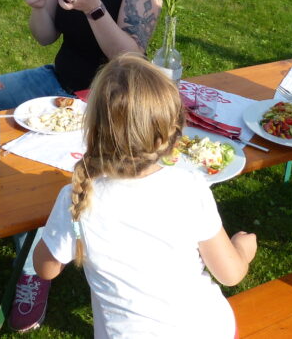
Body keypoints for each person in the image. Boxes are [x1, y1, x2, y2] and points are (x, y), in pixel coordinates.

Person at [0, 0, 163, 331]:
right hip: (55, 85)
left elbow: (132, 58)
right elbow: (45, 35)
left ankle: (33, 270)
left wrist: (93, 7)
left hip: (107, 103)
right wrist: (36, 6)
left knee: (43, 179)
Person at [33, 53, 257, 338]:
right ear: (171, 134)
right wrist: (243, 248)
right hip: (208, 329)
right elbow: (230, 274)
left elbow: (46, 269)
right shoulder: (189, 185)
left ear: (94, 131)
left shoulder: (77, 197)